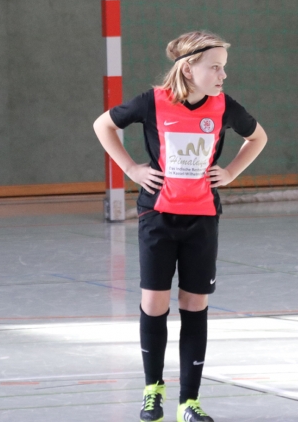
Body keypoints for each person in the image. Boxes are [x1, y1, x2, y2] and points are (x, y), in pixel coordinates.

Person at [93, 30, 268, 422]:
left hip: (202, 218)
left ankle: (189, 402)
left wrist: (231, 172)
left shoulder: (224, 106)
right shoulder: (153, 102)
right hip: (157, 216)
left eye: (224, 67)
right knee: (154, 303)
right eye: (215, 67)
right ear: (189, 69)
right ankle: (152, 391)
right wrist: (132, 169)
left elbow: (257, 138)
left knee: (194, 304)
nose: (223, 75)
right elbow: (103, 125)